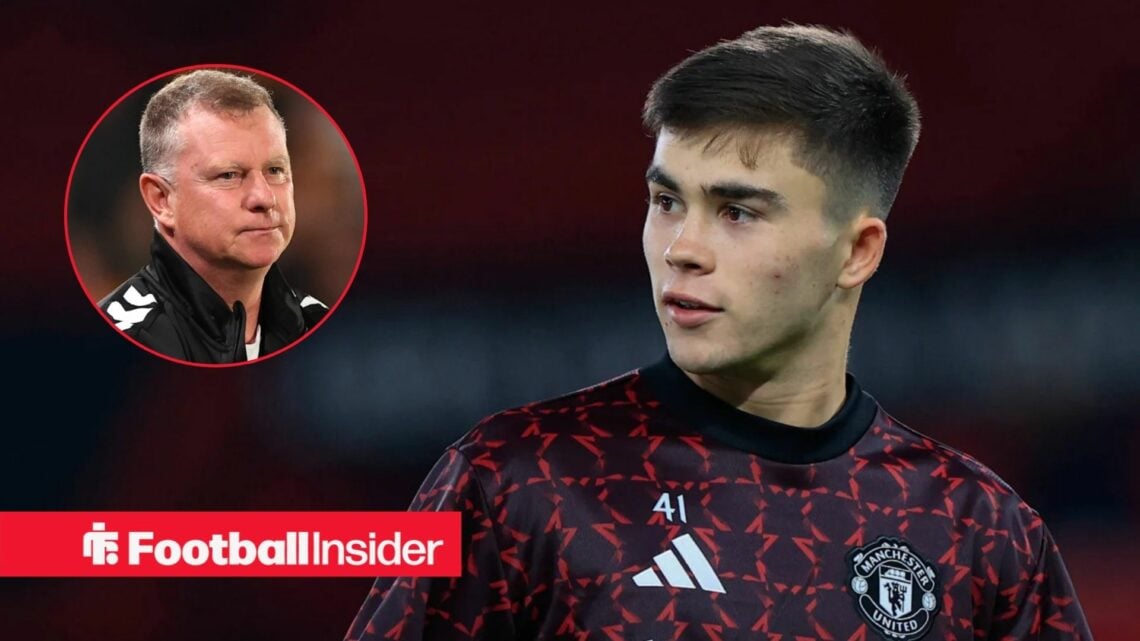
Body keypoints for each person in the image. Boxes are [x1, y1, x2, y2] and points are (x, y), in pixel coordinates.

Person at [345, 25, 1092, 640]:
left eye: (737, 211)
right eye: (666, 200)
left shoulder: (980, 532)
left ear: (857, 251)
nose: (681, 248)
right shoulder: (519, 482)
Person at [99, 69, 327, 363]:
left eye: (275, 171)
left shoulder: (319, 321)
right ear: (161, 199)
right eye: (229, 175)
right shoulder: (128, 338)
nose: (264, 198)